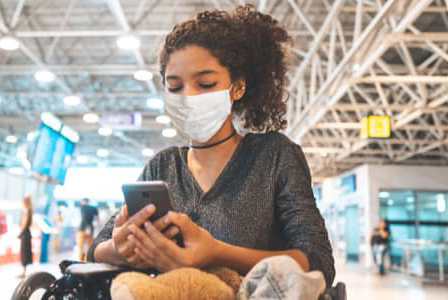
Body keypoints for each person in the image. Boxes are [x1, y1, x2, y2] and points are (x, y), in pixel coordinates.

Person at [88, 4, 335, 286]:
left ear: (238, 87)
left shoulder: (275, 156)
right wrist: (119, 250)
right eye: (175, 86)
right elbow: (96, 248)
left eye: (205, 84)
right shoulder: (162, 166)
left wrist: (216, 253)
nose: (188, 96)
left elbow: (317, 260)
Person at [18, 196, 34, 278]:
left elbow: (24, 224)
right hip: (27, 234)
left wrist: (20, 233)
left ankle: (23, 272)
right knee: (25, 253)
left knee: (24, 253)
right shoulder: (30, 211)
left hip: (25, 234)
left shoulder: (27, 211)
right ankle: (24, 271)